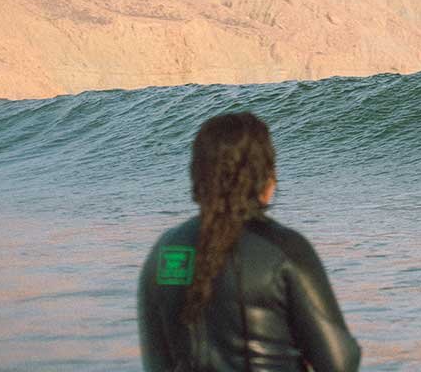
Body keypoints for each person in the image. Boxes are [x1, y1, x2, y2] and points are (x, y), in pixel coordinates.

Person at [138, 112, 361, 372]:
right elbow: (340, 362)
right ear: (264, 176)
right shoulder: (283, 249)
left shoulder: (165, 251)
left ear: (198, 174)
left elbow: (155, 365)